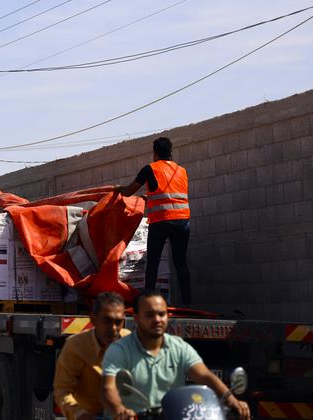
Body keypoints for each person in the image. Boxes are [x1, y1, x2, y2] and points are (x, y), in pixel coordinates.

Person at [101, 290, 250, 420]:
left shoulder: (179, 347)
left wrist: (232, 400)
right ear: (136, 318)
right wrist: (120, 410)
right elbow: (109, 388)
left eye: (162, 314)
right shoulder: (119, 349)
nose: (157, 320)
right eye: (150, 315)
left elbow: (205, 376)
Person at [112, 137, 191, 305]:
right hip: (182, 223)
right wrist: (150, 198)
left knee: (153, 263)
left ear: (154, 153)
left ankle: (147, 302)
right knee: (181, 263)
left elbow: (128, 191)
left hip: (161, 222)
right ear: (171, 152)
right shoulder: (182, 171)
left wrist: (117, 189)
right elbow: (170, 194)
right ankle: (188, 302)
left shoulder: (150, 169)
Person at [54, 292, 131, 420]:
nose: (113, 328)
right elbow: (62, 391)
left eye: (118, 322)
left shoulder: (129, 342)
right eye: (107, 321)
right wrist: (80, 414)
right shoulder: (76, 346)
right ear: (93, 319)